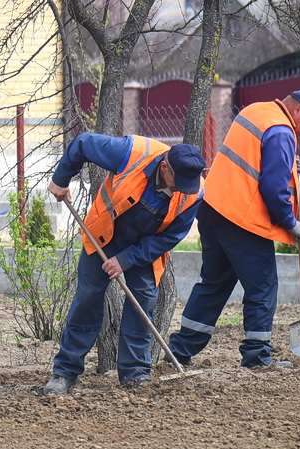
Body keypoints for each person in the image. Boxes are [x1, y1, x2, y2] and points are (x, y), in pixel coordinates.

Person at [167, 89, 300, 370]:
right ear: (298, 109)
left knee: (213, 284)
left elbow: (253, 162)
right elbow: (273, 188)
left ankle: (178, 352)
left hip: (213, 210)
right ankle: (257, 358)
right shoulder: (281, 131)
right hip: (242, 221)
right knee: (263, 287)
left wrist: (290, 165)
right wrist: (291, 223)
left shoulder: (256, 111)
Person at [43, 133, 206, 395]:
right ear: (165, 166)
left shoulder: (193, 191)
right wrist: (61, 180)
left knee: (143, 301)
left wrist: (127, 259)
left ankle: (135, 374)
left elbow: (171, 236)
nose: (182, 189)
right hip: (103, 235)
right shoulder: (132, 152)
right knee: (87, 299)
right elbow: (82, 143)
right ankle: (65, 372)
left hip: (144, 248)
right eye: (179, 182)